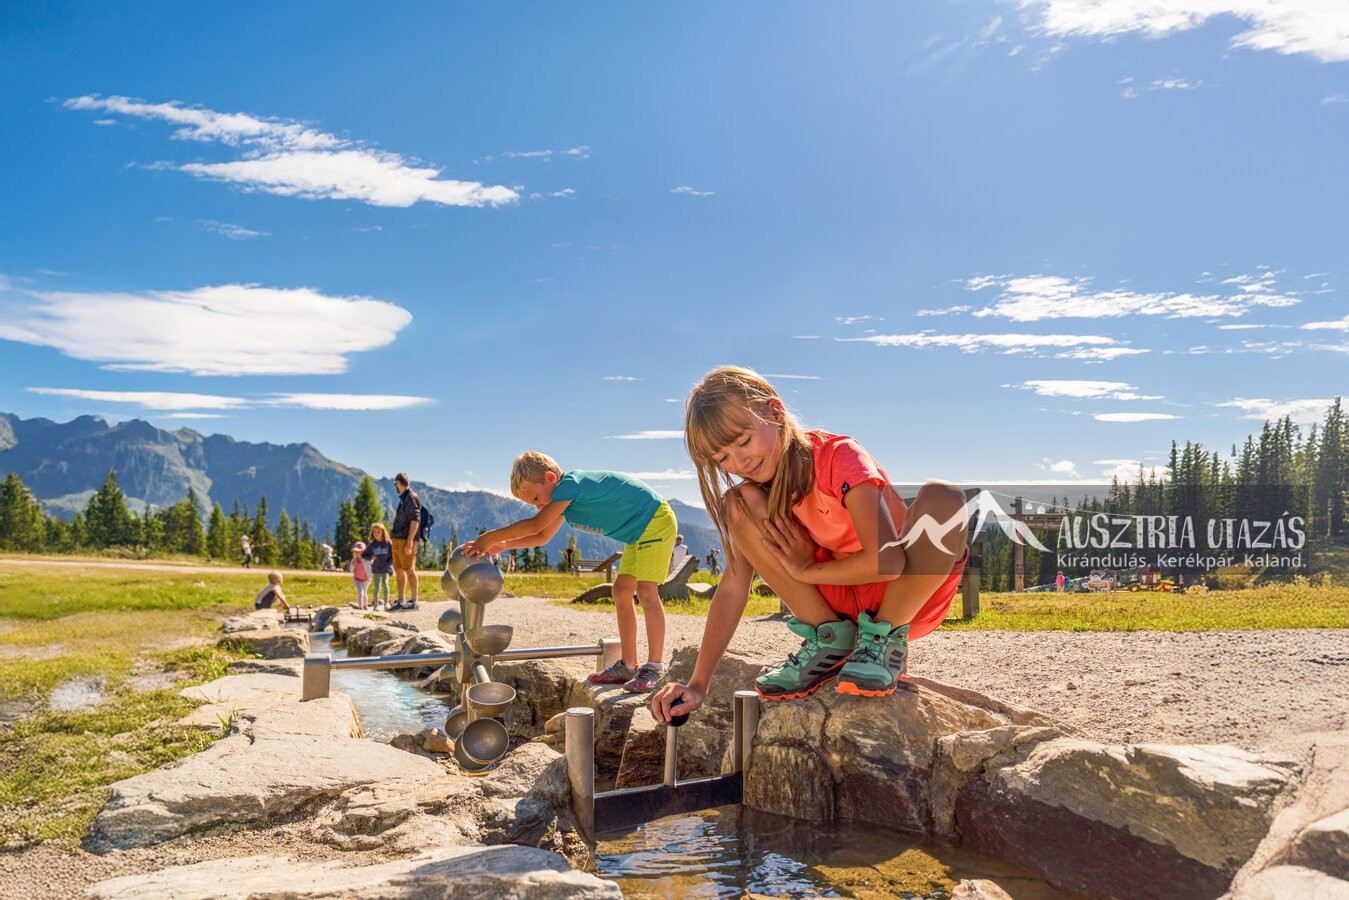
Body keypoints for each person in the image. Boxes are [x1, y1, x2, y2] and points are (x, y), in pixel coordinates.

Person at [651, 367, 968, 723]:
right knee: (736, 503)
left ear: (775, 410)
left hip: (904, 595)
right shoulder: (760, 494)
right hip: (837, 602)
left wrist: (807, 569)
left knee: (945, 498)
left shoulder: (839, 456)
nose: (740, 463)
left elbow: (888, 562)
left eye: (743, 442)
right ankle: (831, 639)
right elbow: (734, 585)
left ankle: (882, 642)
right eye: (723, 458)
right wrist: (698, 683)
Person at [462, 451, 677, 694]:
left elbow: (536, 525)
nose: (538, 505)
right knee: (621, 591)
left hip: (654, 520)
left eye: (536, 498)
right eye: (533, 504)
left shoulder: (570, 485)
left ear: (550, 478)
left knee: (647, 590)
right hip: (636, 533)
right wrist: (502, 545)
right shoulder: (563, 499)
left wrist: (489, 537)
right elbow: (542, 536)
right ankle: (628, 665)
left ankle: (654, 666)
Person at [389, 472, 421, 610]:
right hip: (397, 539)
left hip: (405, 540)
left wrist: (409, 541)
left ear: (399, 483)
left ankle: (414, 601)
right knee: (399, 570)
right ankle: (401, 601)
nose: (395, 487)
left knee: (409, 570)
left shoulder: (411, 498)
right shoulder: (404, 498)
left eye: (396, 484)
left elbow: (415, 521)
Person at [362, 523, 394, 610]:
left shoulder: (388, 543)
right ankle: (375, 603)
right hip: (376, 569)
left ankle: (386, 602)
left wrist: (388, 564)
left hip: (386, 569)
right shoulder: (372, 545)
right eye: (374, 532)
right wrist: (371, 557)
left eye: (378, 532)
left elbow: (393, 556)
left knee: (385, 584)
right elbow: (364, 555)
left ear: (383, 532)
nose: (376, 533)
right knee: (376, 586)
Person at [351, 541, 370, 609]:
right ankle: (360, 607)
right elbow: (351, 569)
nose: (357, 553)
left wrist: (369, 578)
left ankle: (365, 605)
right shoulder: (354, 560)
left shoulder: (366, 560)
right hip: (358, 579)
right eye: (355, 552)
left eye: (359, 552)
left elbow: (369, 570)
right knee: (360, 593)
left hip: (365, 580)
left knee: (365, 593)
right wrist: (353, 565)